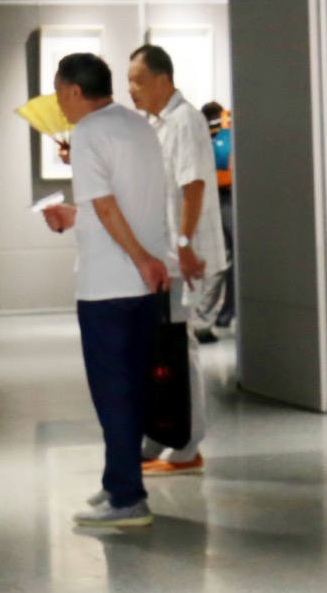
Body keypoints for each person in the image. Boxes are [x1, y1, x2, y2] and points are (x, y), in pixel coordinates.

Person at [37, 53, 173, 530]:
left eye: (59, 94)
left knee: (113, 391)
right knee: (131, 387)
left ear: (75, 91)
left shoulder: (91, 131)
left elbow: (109, 205)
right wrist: (80, 219)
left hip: (108, 285)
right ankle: (119, 480)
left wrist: (138, 256)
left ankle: (128, 499)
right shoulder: (138, 126)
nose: (59, 104)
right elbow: (117, 205)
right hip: (140, 283)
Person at [125, 43, 222, 474]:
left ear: (163, 79)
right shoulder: (157, 123)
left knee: (182, 350)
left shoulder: (184, 120)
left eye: (137, 80)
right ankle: (161, 435)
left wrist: (184, 244)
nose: (132, 89)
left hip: (188, 256)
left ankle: (186, 446)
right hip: (169, 255)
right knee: (162, 348)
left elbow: (194, 185)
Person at [203, 101, 234, 333]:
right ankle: (215, 316)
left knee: (221, 261)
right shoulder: (227, 132)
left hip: (215, 199)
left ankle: (209, 317)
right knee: (226, 261)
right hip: (227, 199)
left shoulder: (207, 135)